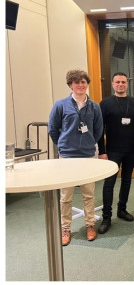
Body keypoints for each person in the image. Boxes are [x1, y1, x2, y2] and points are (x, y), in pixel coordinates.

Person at [48, 69, 103, 246]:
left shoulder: (94, 106)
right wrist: (64, 144)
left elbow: (98, 129)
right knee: (66, 196)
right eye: (76, 82)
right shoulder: (60, 105)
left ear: (87, 84)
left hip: (88, 155)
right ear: (70, 85)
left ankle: (90, 225)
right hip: (67, 156)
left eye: (83, 82)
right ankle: (65, 228)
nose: (80, 85)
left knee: (88, 194)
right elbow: (53, 129)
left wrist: (88, 142)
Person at [97, 72, 134, 234]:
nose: (121, 85)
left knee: (126, 181)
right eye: (117, 82)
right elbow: (99, 129)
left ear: (127, 84)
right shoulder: (105, 103)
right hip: (112, 151)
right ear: (112, 84)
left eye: (123, 82)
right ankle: (106, 217)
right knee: (109, 184)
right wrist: (102, 151)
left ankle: (121, 210)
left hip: (131, 149)